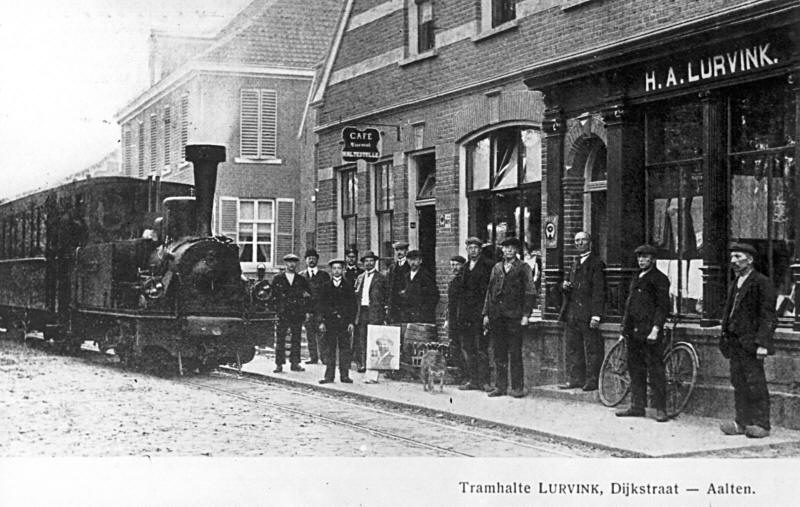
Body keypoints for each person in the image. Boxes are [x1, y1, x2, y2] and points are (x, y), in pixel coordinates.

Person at [719, 243, 777, 439]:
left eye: (738, 257)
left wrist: (763, 343)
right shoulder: (736, 283)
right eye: (732, 257)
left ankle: (762, 424)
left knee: (755, 383)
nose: (733, 261)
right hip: (735, 343)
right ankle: (741, 422)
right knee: (739, 382)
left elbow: (768, 316)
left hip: (751, 343)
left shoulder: (762, 282)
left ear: (750, 259)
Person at [615, 244, 671, 422]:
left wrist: (656, 329)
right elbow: (630, 306)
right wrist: (624, 331)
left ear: (653, 259)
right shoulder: (636, 278)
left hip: (650, 333)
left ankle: (660, 409)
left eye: (645, 257)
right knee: (635, 370)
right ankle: (637, 406)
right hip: (634, 333)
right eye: (639, 257)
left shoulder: (660, 279)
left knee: (656, 370)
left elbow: (663, 307)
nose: (641, 260)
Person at [482, 237, 537, 398]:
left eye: (511, 248)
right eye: (505, 248)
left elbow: (530, 292)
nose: (508, 251)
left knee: (515, 352)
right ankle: (500, 386)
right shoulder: (497, 268)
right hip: (497, 316)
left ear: (516, 250)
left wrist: (526, 315)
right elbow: (489, 292)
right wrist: (486, 314)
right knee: (499, 352)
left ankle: (517, 387)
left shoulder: (523, 268)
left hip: (514, 316)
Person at [559, 231, 606, 391]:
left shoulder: (596, 263)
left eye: (583, 240)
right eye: (577, 241)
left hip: (587, 313)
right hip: (573, 312)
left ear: (589, 243)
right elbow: (568, 284)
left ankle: (592, 380)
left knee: (591, 348)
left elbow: (599, 291)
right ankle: (576, 379)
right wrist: (564, 287)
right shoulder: (574, 263)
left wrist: (596, 315)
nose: (579, 244)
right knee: (574, 347)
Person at [458, 237, 494, 391]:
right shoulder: (465, 268)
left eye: (475, 248)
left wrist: (486, 314)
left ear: (480, 249)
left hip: (480, 313)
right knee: (469, 348)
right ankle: (473, 380)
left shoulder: (488, 266)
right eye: (470, 248)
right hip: (467, 315)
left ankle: (485, 382)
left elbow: (489, 291)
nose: (472, 251)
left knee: (482, 348)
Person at [317, 259, 357, 384]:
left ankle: (344, 375)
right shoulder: (325, 286)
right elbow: (320, 305)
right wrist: (322, 322)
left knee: (345, 350)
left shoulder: (348, 286)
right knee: (330, 350)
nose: (336, 271)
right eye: (334, 268)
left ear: (343, 270)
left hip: (344, 323)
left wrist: (351, 322)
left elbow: (353, 305)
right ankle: (329, 376)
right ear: (331, 270)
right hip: (330, 323)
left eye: (339, 268)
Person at [270, 253, 311, 373]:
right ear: (285, 264)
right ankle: (279, 364)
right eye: (289, 262)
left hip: (297, 313)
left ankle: (295, 363)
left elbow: (308, 296)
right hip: (283, 313)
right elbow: (273, 297)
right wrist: (276, 311)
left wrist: (306, 310)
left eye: (294, 262)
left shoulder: (301, 279)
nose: (291, 264)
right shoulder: (278, 279)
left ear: (296, 264)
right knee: (280, 339)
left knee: (296, 338)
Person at [353, 251, 388, 373]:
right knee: (362, 338)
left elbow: (385, 296)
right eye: (366, 261)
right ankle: (363, 363)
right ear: (363, 263)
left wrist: (383, 313)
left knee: (374, 338)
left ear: (375, 262)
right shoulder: (360, 277)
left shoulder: (381, 278)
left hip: (375, 311)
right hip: (361, 311)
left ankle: (375, 364)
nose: (369, 263)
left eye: (371, 261)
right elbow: (356, 295)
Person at [301, 248, 330, 365]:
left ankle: (324, 358)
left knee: (322, 335)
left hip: (320, 310)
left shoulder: (324, 275)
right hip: (307, 310)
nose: (311, 260)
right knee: (310, 335)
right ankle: (313, 357)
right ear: (305, 261)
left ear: (317, 260)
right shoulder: (301, 276)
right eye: (309, 258)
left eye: (313, 258)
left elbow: (328, 294)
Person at [399, 249, 439, 324]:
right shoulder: (406, 277)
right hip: (408, 317)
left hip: (422, 318)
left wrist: (424, 312)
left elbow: (434, 296)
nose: (412, 263)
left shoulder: (426, 276)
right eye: (410, 260)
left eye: (415, 260)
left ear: (420, 261)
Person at [446, 255, 467, 374]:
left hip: (463, 318)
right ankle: (461, 373)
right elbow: (450, 303)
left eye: (457, 265)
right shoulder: (453, 282)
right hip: (454, 319)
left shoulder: (465, 281)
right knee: (455, 346)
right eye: (452, 265)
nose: (454, 268)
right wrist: (447, 319)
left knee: (465, 347)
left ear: (463, 265)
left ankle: (468, 375)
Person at [386, 241, 410, 323]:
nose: (399, 252)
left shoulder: (410, 266)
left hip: (406, 304)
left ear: (406, 251)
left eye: (401, 249)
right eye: (397, 250)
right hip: (394, 304)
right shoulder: (392, 267)